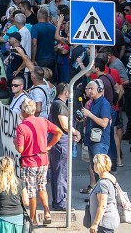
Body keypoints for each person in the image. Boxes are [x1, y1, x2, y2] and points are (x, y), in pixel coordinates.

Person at [15, 98, 62, 224]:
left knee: (31, 191)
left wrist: (16, 142)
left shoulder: (21, 127)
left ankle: (33, 218)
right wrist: (49, 146)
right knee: (42, 187)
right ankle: (47, 213)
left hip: (29, 161)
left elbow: (20, 149)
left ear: (24, 111)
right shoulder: (42, 121)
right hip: (43, 159)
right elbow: (58, 132)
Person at [48, 83, 81, 212]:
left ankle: (58, 201)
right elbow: (64, 125)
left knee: (58, 173)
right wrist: (76, 132)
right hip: (60, 144)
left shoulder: (57, 104)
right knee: (61, 174)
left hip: (59, 142)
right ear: (66, 93)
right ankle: (61, 203)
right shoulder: (60, 105)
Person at [80, 80, 112, 194]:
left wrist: (90, 115)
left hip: (100, 142)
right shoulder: (93, 102)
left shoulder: (104, 104)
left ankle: (104, 196)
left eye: (91, 88)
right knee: (95, 168)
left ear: (100, 90)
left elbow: (104, 123)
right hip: (92, 140)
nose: (89, 91)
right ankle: (99, 195)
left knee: (101, 170)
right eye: (88, 88)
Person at [0, 156, 29, 233]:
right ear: (12, 168)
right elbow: (26, 202)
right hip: (18, 220)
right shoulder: (20, 183)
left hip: (1, 220)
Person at [88, 154, 121, 233]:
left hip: (104, 222)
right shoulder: (110, 177)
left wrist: (95, 224)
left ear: (99, 165)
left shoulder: (103, 183)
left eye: (95, 164)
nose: (93, 166)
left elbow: (102, 205)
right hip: (109, 220)